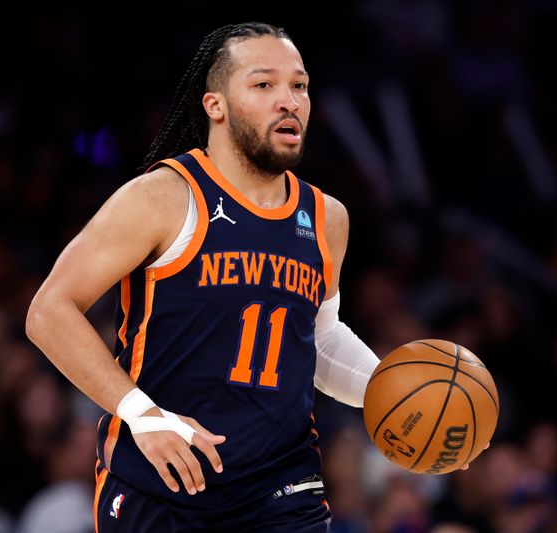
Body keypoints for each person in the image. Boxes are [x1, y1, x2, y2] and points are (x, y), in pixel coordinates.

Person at [26, 21, 382, 532]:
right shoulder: (162, 197)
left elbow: (318, 339)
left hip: (282, 490)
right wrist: (142, 415)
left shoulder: (327, 218)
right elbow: (48, 312)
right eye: (264, 85)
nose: (289, 100)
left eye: (299, 85)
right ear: (215, 105)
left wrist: (392, 393)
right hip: (165, 483)